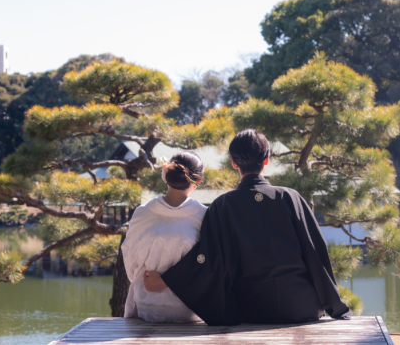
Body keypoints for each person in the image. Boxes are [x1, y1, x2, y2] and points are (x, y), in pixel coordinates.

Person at [143, 129, 351, 326]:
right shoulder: (290, 198)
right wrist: (336, 307)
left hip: (254, 310)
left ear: (234, 163)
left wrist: (169, 280)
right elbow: (316, 253)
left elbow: (208, 259)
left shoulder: (223, 206)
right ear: (266, 160)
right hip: (302, 306)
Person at [122, 151, 207, 323]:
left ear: (165, 173)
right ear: (197, 181)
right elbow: (207, 265)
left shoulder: (143, 213)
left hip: (147, 308)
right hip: (191, 309)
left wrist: (160, 281)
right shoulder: (204, 216)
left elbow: (130, 263)